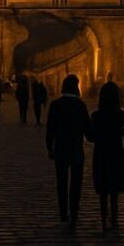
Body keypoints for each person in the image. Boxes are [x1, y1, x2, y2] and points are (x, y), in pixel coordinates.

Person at [45, 74, 92, 231]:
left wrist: (49, 148)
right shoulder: (80, 106)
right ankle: (74, 211)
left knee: (62, 182)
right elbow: (89, 133)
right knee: (76, 182)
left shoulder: (55, 105)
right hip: (76, 149)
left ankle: (63, 212)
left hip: (60, 148)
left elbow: (50, 130)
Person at [90, 82, 124, 232]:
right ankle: (114, 218)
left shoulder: (96, 116)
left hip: (101, 153)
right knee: (114, 189)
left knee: (103, 190)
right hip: (116, 152)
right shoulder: (121, 115)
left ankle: (103, 219)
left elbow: (91, 137)